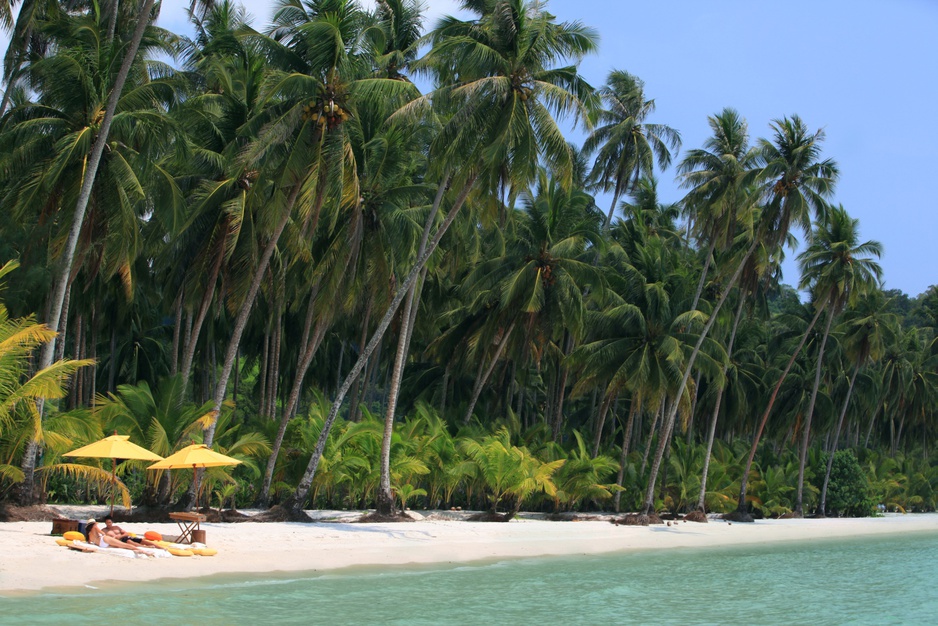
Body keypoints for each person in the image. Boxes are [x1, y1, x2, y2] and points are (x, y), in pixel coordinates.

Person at [85, 519, 152, 553]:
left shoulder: (89, 534)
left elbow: (90, 542)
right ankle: (143, 551)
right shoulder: (95, 527)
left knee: (119, 546)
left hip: (101, 544)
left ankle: (136, 549)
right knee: (123, 545)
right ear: (94, 524)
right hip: (104, 539)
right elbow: (103, 533)